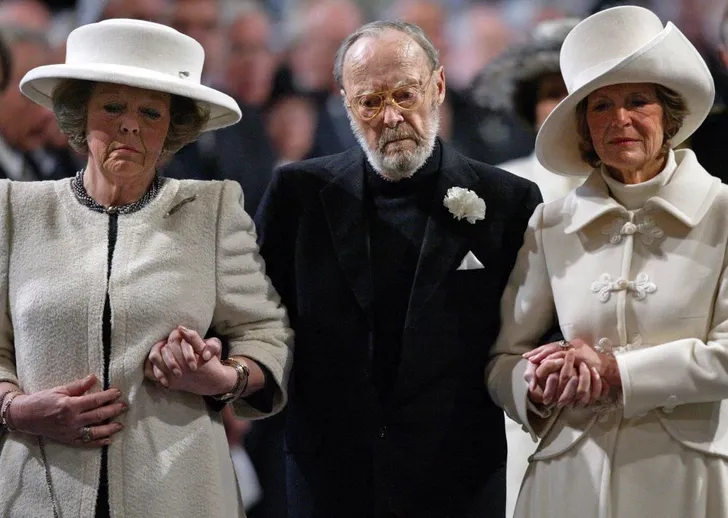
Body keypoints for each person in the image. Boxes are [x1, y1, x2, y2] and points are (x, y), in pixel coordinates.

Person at [0, 18, 293, 518]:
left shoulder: (212, 210)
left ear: (174, 126)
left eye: (151, 112)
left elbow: (268, 336)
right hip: (38, 493)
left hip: (181, 495)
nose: (130, 125)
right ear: (79, 113)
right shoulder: (14, 210)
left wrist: (221, 377)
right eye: (113, 107)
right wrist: (16, 409)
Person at [255, 20, 542, 518]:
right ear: (346, 104)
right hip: (330, 482)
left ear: (439, 86)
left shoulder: (507, 200)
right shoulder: (297, 197)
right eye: (370, 102)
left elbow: (535, 330)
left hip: (458, 482)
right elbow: (257, 317)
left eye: (405, 95)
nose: (391, 117)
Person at [487, 6, 726, 518]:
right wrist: (536, 380)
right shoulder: (550, 223)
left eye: (638, 101)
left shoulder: (724, 213)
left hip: (689, 481)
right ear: (584, 128)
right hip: (567, 482)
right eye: (600, 106)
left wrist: (617, 372)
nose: (620, 120)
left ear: (669, 114)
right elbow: (503, 359)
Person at [471, 17, 583, 204]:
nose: (565, 103)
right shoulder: (499, 185)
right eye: (553, 94)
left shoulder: (624, 183)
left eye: (575, 91)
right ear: (532, 109)